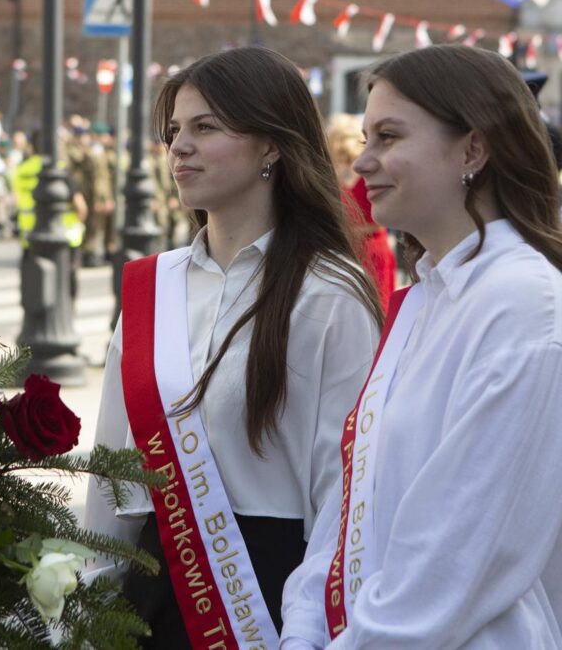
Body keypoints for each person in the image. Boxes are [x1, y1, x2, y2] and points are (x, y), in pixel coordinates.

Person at [83, 47, 383, 649]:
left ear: (271, 145)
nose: (179, 148)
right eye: (174, 131)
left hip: (274, 601)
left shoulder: (330, 294)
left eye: (205, 127)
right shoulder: (153, 286)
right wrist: (87, 610)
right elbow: (112, 482)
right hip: (150, 597)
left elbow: (345, 495)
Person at [281, 44, 562, 649]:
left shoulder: (522, 303)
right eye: (365, 138)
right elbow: (352, 504)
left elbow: (456, 553)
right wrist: (302, 630)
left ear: (473, 150)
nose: (364, 162)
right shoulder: (425, 300)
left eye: (388, 137)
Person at [327, 113, 397, 310]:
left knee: (374, 308)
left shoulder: (366, 172)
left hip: (368, 249)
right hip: (349, 249)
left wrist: (349, 232)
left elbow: (381, 219)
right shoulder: (336, 174)